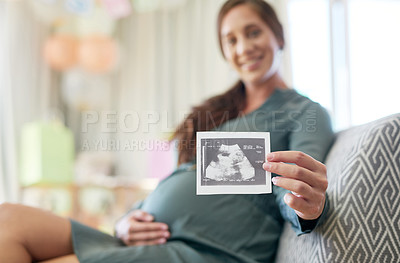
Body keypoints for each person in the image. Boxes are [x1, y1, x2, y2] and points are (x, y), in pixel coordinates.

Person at [0, 0, 334, 262]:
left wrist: (306, 204)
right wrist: (125, 221)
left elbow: (295, 191)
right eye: (230, 40)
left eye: (253, 32)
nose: (243, 47)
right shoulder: (218, 112)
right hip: (148, 240)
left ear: (278, 35)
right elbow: (176, 181)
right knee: (7, 221)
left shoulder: (303, 112)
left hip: (204, 250)